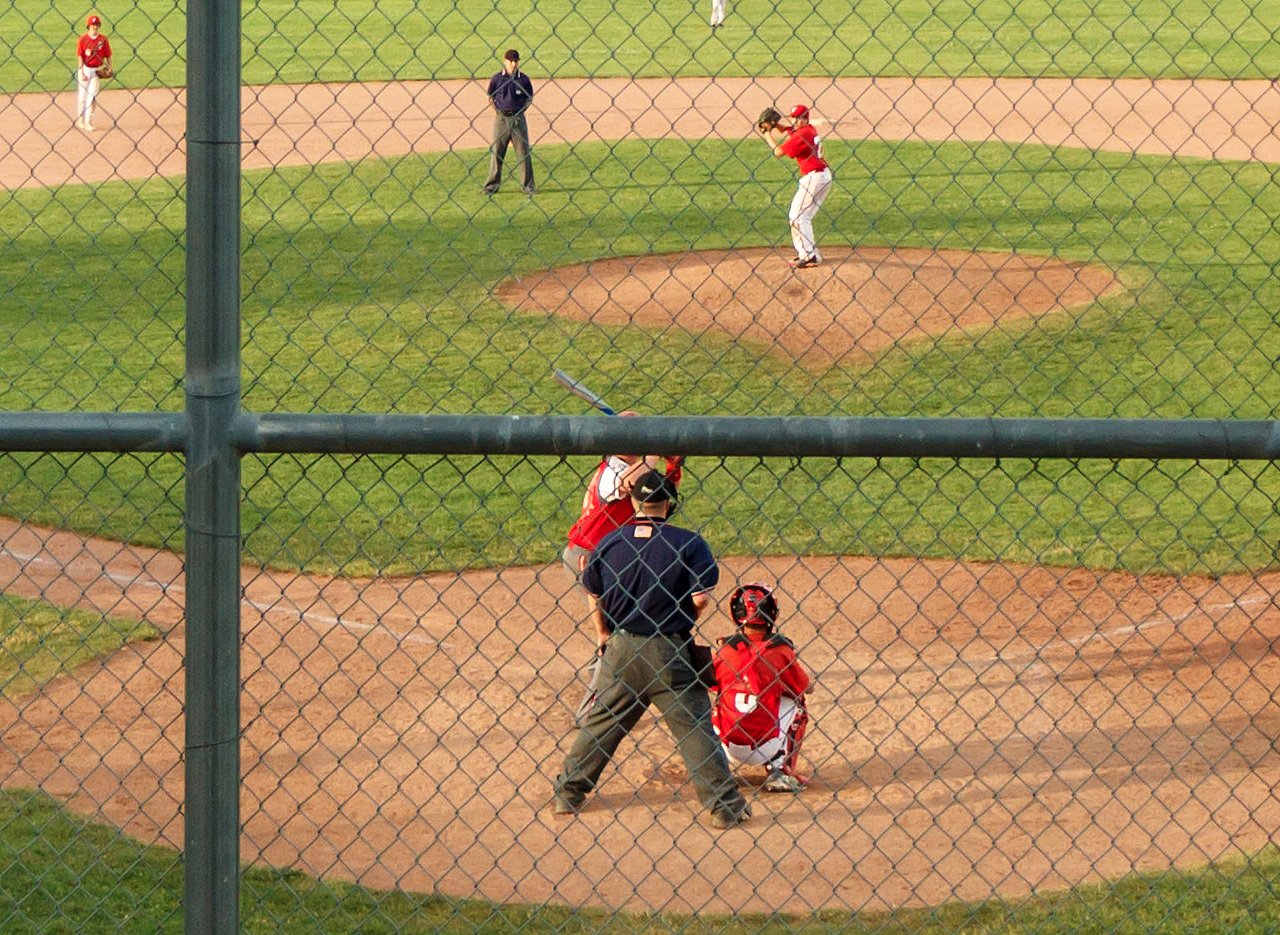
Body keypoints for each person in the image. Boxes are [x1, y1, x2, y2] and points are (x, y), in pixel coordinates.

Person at [552, 469, 751, 829]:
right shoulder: (688, 543)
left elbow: (593, 593)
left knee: (601, 724)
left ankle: (568, 793)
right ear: (668, 503)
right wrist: (685, 616)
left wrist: (602, 634)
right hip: (668, 652)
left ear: (633, 502)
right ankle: (725, 807)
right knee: (693, 729)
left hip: (621, 647)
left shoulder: (610, 542)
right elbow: (700, 597)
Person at [562, 416, 683, 601]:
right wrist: (655, 452)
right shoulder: (610, 471)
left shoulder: (636, 468)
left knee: (629, 616)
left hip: (616, 553)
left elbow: (660, 495)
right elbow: (628, 482)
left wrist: (672, 466)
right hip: (588, 554)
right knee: (613, 619)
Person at [711, 583, 811, 792]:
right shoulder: (780, 650)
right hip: (765, 745)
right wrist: (775, 683)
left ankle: (716, 770)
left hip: (727, 745)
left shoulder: (725, 651)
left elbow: (710, 683)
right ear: (772, 614)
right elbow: (805, 687)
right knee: (798, 703)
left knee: (719, 697)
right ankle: (780, 772)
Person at [761, 103, 833, 268]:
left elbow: (778, 152)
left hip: (815, 178)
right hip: (822, 176)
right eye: (792, 117)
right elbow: (789, 130)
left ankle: (808, 255)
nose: (794, 121)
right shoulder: (808, 130)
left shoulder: (802, 136)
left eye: (797, 118)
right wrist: (777, 125)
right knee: (802, 217)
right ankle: (807, 253)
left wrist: (766, 134)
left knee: (797, 216)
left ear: (805, 118)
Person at [483, 49, 535, 195]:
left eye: (516, 61)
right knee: (497, 152)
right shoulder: (497, 79)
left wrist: (521, 111)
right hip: (501, 119)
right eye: (511, 61)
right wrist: (498, 111)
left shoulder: (523, 79)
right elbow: (489, 97)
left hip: (518, 118)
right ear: (504, 61)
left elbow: (529, 98)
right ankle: (491, 186)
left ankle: (528, 186)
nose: (513, 64)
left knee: (523, 152)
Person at [75, 14, 113, 132]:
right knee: (82, 97)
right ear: (88, 26)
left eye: (97, 25)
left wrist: (110, 67)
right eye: (93, 25)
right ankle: (80, 119)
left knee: (92, 98)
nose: (95, 27)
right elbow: (80, 56)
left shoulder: (103, 40)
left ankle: (88, 122)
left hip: (97, 71)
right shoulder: (83, 39)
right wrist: (81, 71)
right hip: (85, 69)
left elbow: (108, 55)